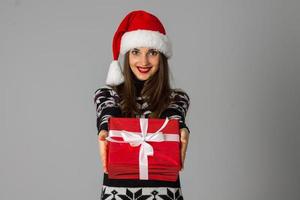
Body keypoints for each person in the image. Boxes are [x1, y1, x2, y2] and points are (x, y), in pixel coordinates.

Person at [93, 10, 191, 200]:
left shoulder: (176, 98)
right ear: (127, 55)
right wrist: (105, 129)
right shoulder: (107, 94)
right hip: (118, 195)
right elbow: (108, 113)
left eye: (152, 52)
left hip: (165, 195)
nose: (143, 61)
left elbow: (174, 114)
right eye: (136, 52)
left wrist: (180, 128)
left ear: (161, 57)